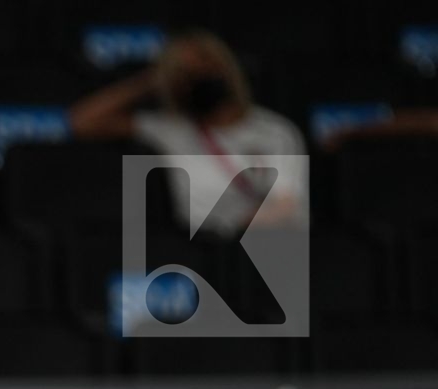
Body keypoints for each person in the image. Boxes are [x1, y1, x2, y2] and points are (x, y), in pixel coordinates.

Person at [69, 29, 307, 236]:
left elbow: (285, 207)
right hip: (198, 252)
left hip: (266, 245)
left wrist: (229, 231)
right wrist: (149, 81)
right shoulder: (169, 129)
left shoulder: (275, 131)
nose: (199, 78)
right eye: (187, 75)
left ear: (227, 71)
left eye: (207, 68)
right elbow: (83, 121)